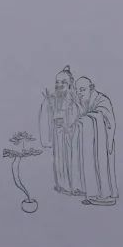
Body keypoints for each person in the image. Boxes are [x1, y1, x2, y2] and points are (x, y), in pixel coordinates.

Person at [38, 66, 83, 196]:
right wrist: (49, 105)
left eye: (63, 82)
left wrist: (66, 122)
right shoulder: (52, 99)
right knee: (60, 160)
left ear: (69, 85)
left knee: (73, 160)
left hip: (71, 136)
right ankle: (63, 186)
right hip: (59, 136)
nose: (59, 85)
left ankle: (76, 187)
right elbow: (48, 118)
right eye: (57, 82)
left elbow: (78, 115)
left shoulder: (74, 100)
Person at [73, 76, 118, 206]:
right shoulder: (84, 101)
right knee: (90, 165)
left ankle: (106, 196)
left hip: (103, 142)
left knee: (103, 167)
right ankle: (92, 194)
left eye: (82, 89)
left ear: (91, 88)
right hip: (92, 142)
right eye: (77, 90)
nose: (79, 93)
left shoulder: (102, 100)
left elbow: (106, 118)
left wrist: (88, 117)